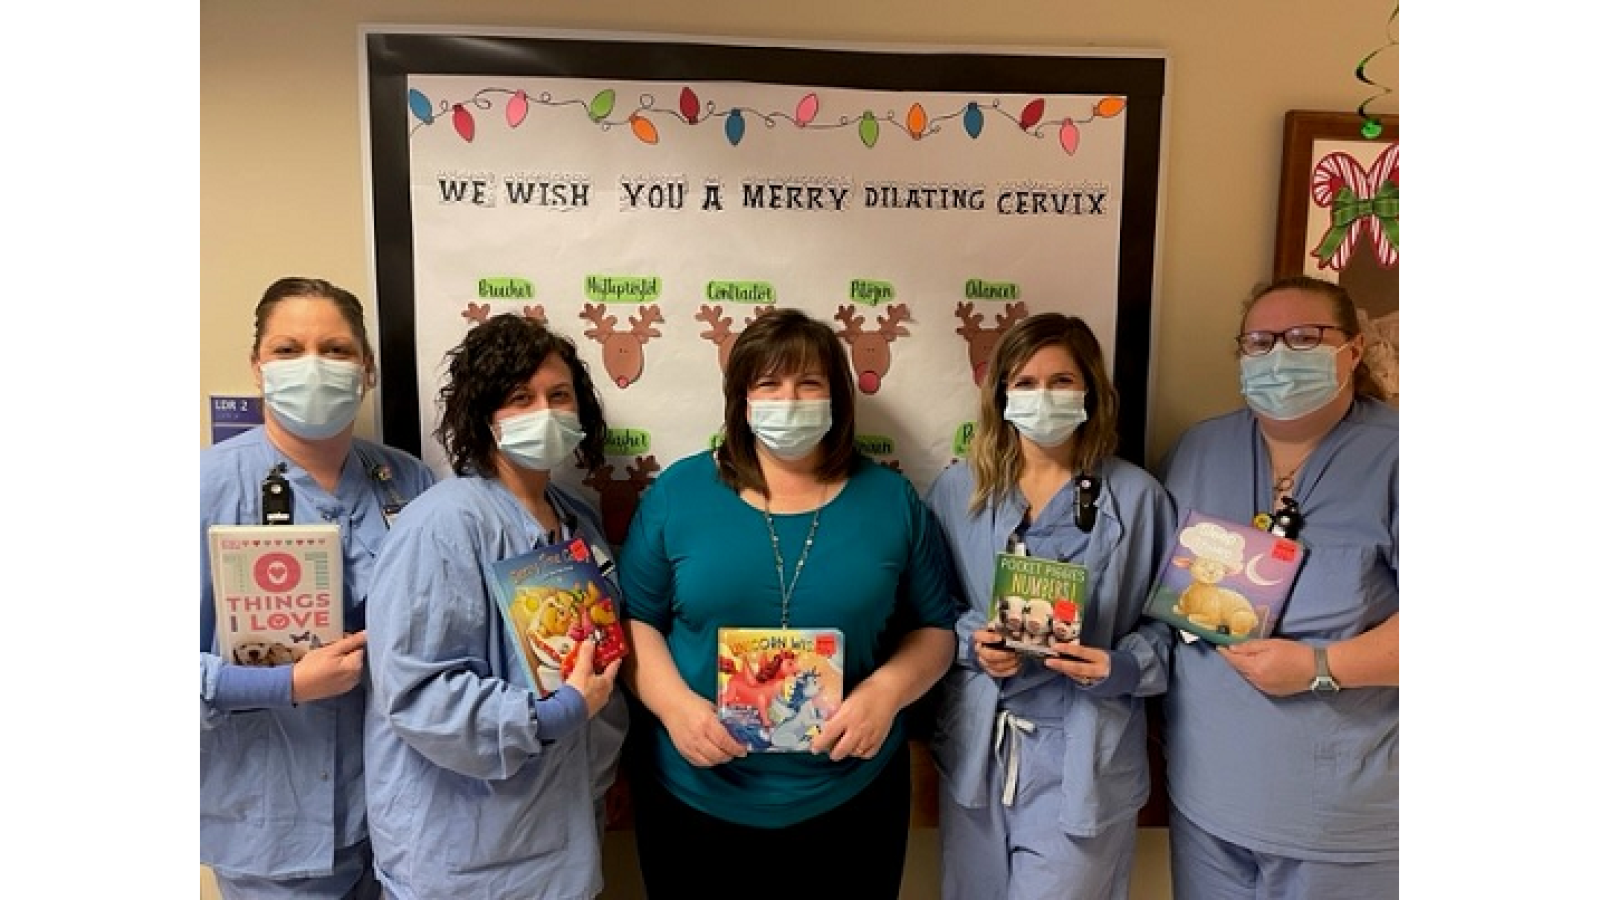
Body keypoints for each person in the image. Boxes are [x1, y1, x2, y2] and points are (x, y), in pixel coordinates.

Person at [617, 307, 960, 897]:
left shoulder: (891, 501)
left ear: (838, 397)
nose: (789, 400)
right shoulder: (680, 492)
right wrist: (675, 708)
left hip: (850, 797)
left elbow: (937, 629)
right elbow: (634, 621)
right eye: (768, 384)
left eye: (809, 383)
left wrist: (886, 691)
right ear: (741, 400)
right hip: (696, 795)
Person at [362, 313, 628, 899]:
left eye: (559, 396)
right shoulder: (445, 523)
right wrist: (552, 716)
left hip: (562, 837)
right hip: (466, 853)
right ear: (484, 415)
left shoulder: (575, 520)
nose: (545, 412)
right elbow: (416, 693)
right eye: (520, 398)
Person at [1158, 274, 1398, 899]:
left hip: (1342, 821)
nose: (1279, 356)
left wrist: (1321, 665)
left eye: (1303, 337)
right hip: (1208, 801)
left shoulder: (1402, 455)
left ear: (1351, 351)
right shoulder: (1200, 450)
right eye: (1259, 342)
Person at [924, 312, 1177, 900]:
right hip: (979, 756)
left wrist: (1122, 667)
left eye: (1062, 381)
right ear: (1001, 393)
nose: (1044, 396)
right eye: (1026, 382)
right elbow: (930, 610)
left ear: (1091, 389)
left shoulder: (1138, 499)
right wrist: (973, 643)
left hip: (1084, 759)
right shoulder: (958, 492)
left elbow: (1175, 627)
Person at [200, 276, 438, 900]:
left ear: (368, 369)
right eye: (288, 350)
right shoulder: (206, 489)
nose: (313, 366)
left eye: (335, 350)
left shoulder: (407, 483)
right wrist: (285, 683)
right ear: (258, 369)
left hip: (398, 822)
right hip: (272, 831)